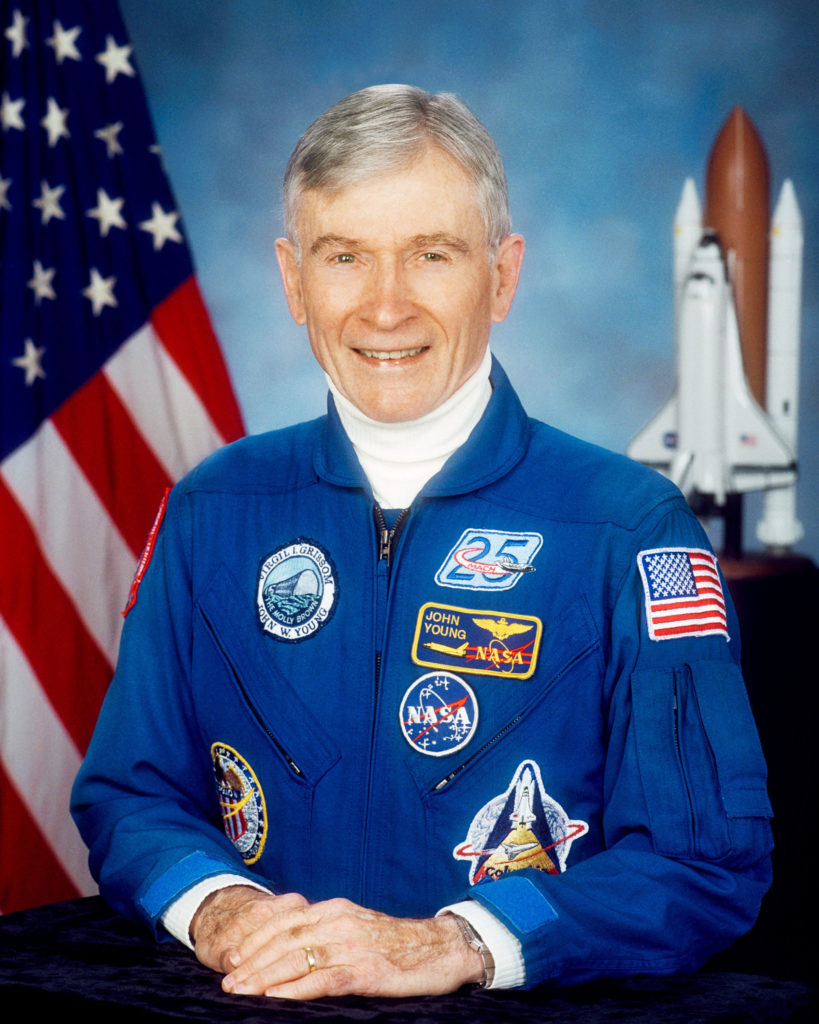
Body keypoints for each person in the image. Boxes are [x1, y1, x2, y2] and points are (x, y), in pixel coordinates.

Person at [71, 84, 773, 1000]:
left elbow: (703, 863)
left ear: (503, 273)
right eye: (345, 257)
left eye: (431, 255)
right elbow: (132, 793)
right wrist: (222, 908)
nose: (385, 307)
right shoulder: (215, 509)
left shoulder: (627, 527)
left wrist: (456, 945)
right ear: (292, 280)